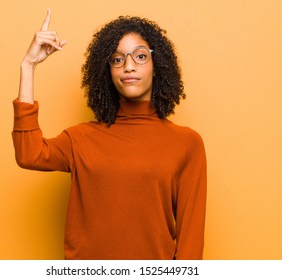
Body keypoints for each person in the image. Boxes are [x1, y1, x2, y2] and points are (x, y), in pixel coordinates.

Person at [12, 9, 207, 260]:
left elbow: (191, 241)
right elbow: (28, 154)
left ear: (157, 66)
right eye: (117, 59)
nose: (128, 66)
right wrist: (28, 66)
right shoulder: (80, 139)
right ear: (108, 72)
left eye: (140, 56)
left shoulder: (186, 143)